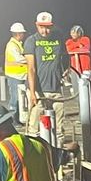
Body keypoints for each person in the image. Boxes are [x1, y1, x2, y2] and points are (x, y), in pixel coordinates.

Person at [25, 11, 67, 139]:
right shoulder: (31, 41)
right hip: (38, 90)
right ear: (36, 26)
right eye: (42, 27)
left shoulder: (58, 40)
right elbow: (31, 69)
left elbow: (65, 57)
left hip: (55, 89)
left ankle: (57, 151)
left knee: (59, 127)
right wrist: (32, 93)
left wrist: (65, 70)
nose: (45, 31)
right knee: (34, 128)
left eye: (48, 27)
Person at [4, 22, 29, 117]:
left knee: (21, 98)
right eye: (23, 33)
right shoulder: (12, 45)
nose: (24, 35)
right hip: (14, 76)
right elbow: (19, 59)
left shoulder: (18, 44)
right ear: (18, 34)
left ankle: (18, 117)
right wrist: (30, 59)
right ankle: (13, 118)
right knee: (15, 98)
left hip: (21, 75)